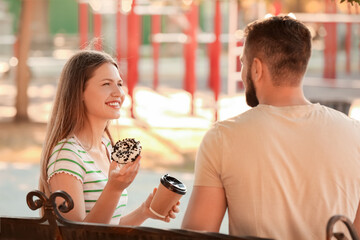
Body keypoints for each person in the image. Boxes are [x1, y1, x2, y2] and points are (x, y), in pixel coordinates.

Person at [181, 16, 360, 239]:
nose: (242, 72)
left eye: (243, 63)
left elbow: (196, 234)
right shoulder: (355, 134)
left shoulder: (222, 139)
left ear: (256, 68)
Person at [39, 50, 179, 225]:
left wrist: (144, 211)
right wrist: (114, 189)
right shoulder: (67, 156)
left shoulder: (106, 147)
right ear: (79, 92)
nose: (118, 93)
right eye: (106, 84)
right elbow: (77, 236)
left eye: (119, 84)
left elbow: (109, 228)